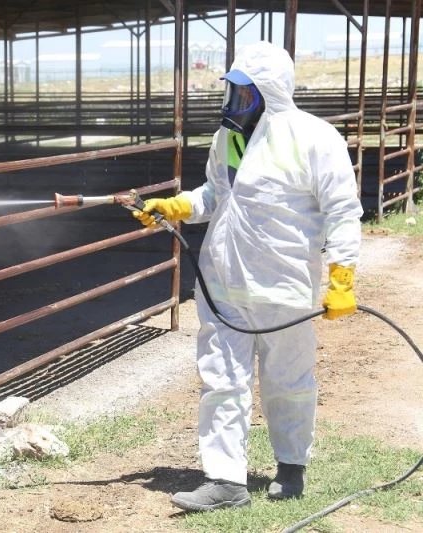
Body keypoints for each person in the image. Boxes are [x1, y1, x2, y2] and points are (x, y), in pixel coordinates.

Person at [133, 40, 363, 511]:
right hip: (223, 285)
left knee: (288, 380)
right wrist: (178, 205)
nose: (234, 104)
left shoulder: (315, 139)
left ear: (268, 92)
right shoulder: (227, 139)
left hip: (284, 286)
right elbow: (216, 195)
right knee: (221, 381)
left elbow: (343, 212)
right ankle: (225, 481)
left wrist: (342, 277)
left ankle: (291, 467)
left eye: (244, 94)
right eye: (232, 93)